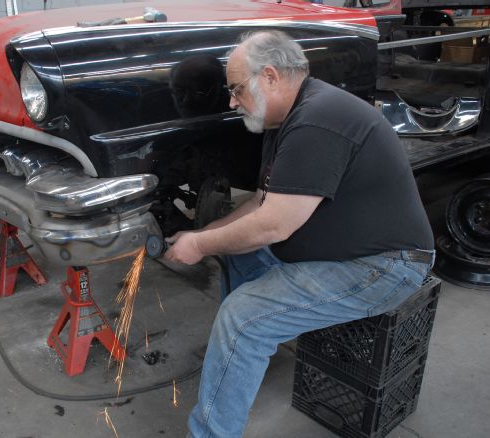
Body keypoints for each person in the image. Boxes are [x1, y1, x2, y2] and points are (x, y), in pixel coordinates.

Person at [163, 30, 435, 438]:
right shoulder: (285, 117)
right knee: (237, 252)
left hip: (385, 266)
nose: (232, 101)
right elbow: (260, 204)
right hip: (347, 254)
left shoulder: (319, 120)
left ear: (270, 76)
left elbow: (275, 224)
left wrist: (198, 245)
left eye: (236, 89)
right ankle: (245, 353)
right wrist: (202, 235)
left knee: (243, 318)